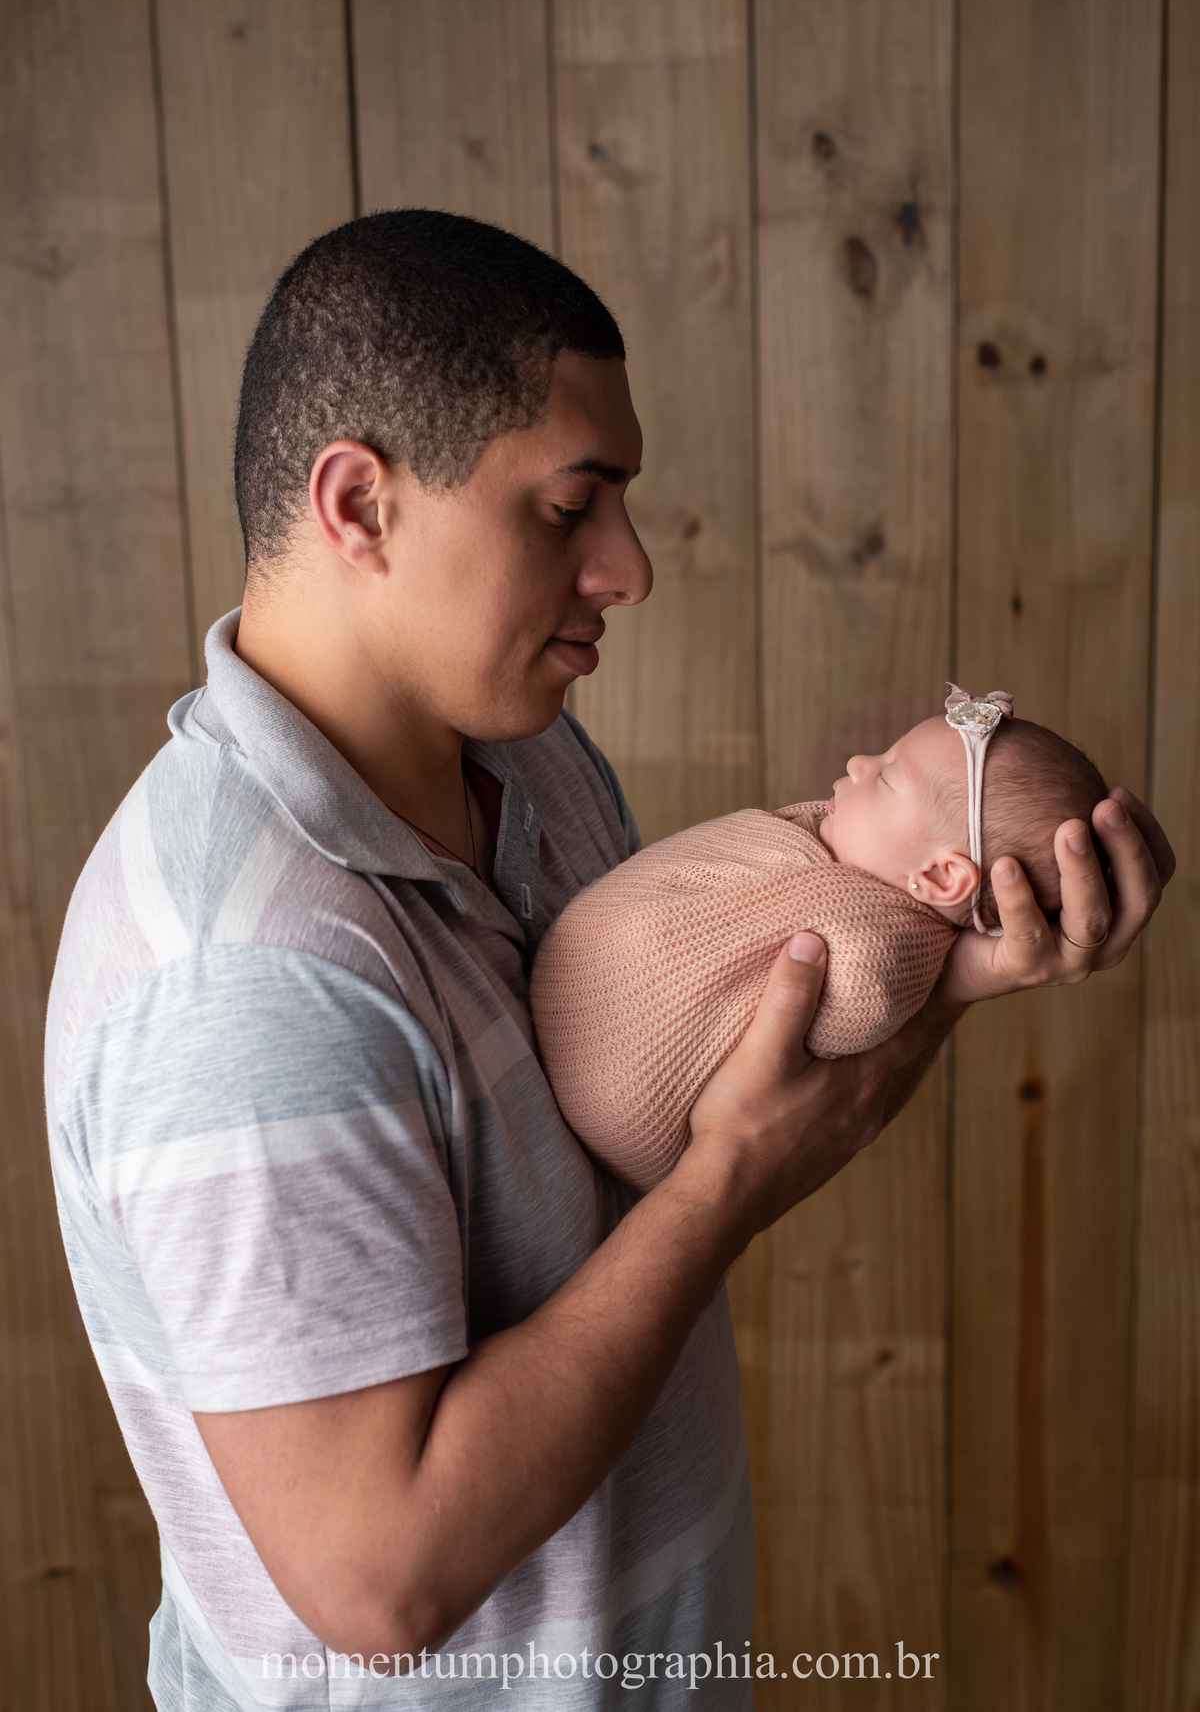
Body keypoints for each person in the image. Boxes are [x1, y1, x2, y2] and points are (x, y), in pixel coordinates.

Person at [45, 211, 1172, 1710]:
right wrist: (729, 1188)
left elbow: (683, 1129)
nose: (630, 568)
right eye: (572, 506)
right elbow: (385, 1581)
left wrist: (961, 957)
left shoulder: (530, 760)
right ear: (360, 504)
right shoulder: (241, 975)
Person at [532, 691, 1112, 1190]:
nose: (858, 763)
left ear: (940, 876)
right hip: (587, 988)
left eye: (887, 776)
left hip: (628, 1095)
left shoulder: (885, 944)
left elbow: (854, 1015)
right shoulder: (836, 852)